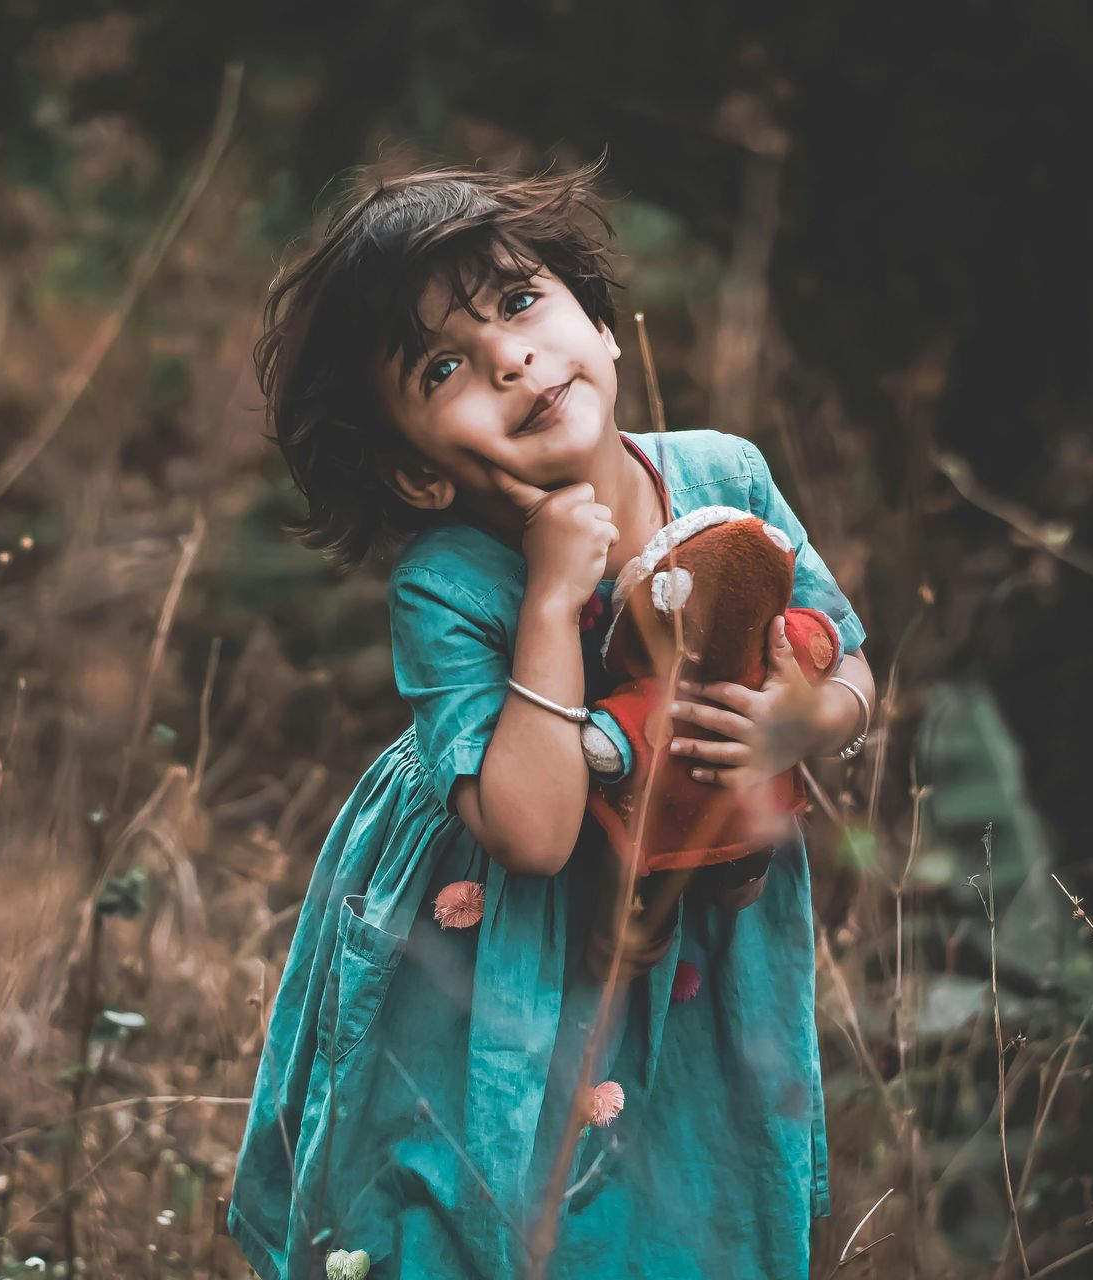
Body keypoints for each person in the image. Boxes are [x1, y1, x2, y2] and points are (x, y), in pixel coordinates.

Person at [227, 154, 874, 1279]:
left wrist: (804, 723)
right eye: (445, 366)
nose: (511, 356)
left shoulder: (730, 474)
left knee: (678, 1203)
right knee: (470, 1200)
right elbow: (531, 829)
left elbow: (851, 658)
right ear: (421, 472)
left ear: (605, 328)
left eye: (521, 303)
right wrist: (548, 590)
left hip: (683, 930)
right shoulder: (447, 582)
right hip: (487, 952)